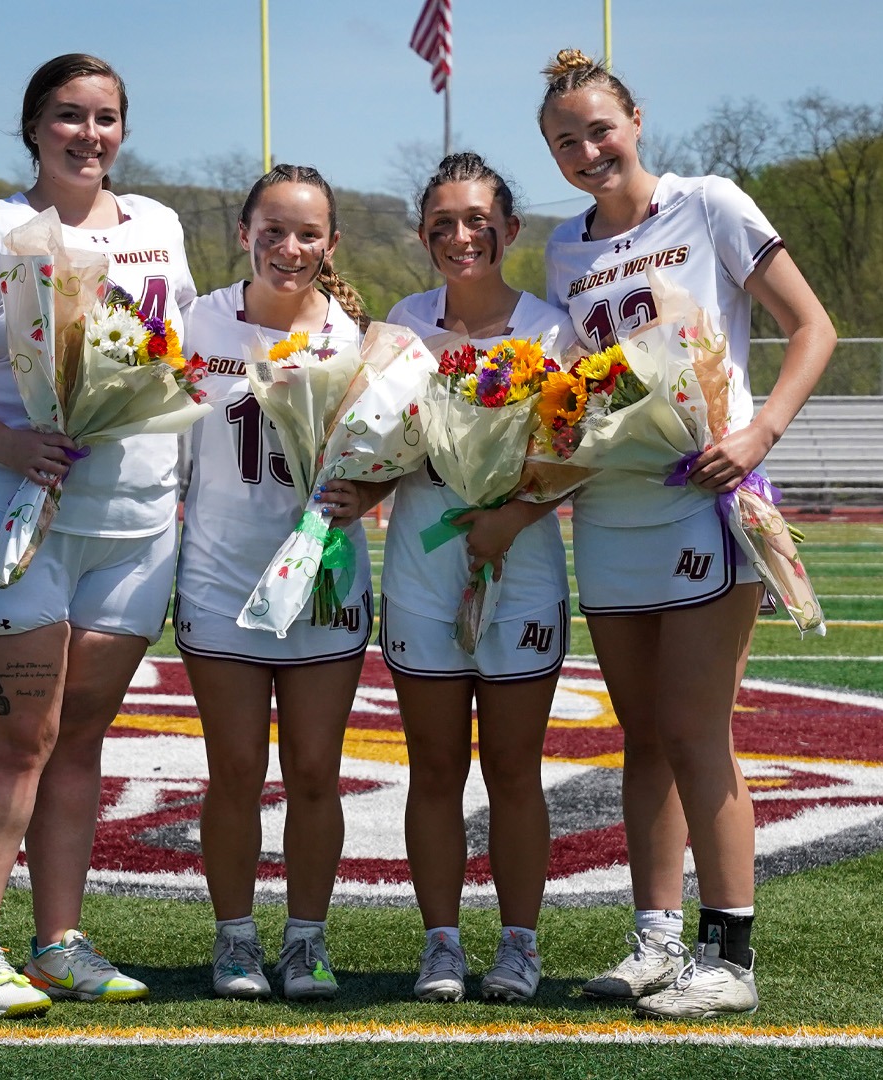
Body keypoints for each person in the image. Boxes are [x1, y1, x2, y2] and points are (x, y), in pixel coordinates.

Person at [535, 48, 836, 1019]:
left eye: (599, 128)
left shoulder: (709, 203)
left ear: (636, 119)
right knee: (645, 738)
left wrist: (757, 431)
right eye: (565, 141)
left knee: (700, 731)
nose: (588, 150)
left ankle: (733, 955)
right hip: (612, 515)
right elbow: (582, 389)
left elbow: (814, 328)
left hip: (708, 498)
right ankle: (658, 939)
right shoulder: (560, 251)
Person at [0, 53, 196, 1017]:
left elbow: (168, 365)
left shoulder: (158, 226)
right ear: (33, 126)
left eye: (106, 117)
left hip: (134, 519)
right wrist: (9, 442)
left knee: (80, 737)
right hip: (5, 512)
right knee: (15, 737)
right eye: (68, 116)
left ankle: (61, 940)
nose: (89, 134)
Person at [174, 164, 378, 1002]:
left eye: (307, 234)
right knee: (232, 771)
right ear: (243, 230)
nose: (288, 248)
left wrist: (371, 491)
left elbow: (390, 459)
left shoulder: (356, 338)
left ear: (331, 243)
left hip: (323, 580)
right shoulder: (196, 321)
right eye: (273, 229)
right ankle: (233, 940)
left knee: (315, 772)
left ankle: (305, 941)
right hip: (221, 577)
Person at [375, 153, 575, 1004]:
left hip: (523, 571)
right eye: (442, 224)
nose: (461, 237)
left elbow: (580, 456)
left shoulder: (554, 327)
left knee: (515, 769)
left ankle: (520, 946)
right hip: (422, 569)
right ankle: (442, 944)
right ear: (423, 236)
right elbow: (377, 441)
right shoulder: (401, 325)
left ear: (510, 230)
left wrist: (511, 518)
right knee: (432, 767)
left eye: (477, 221)